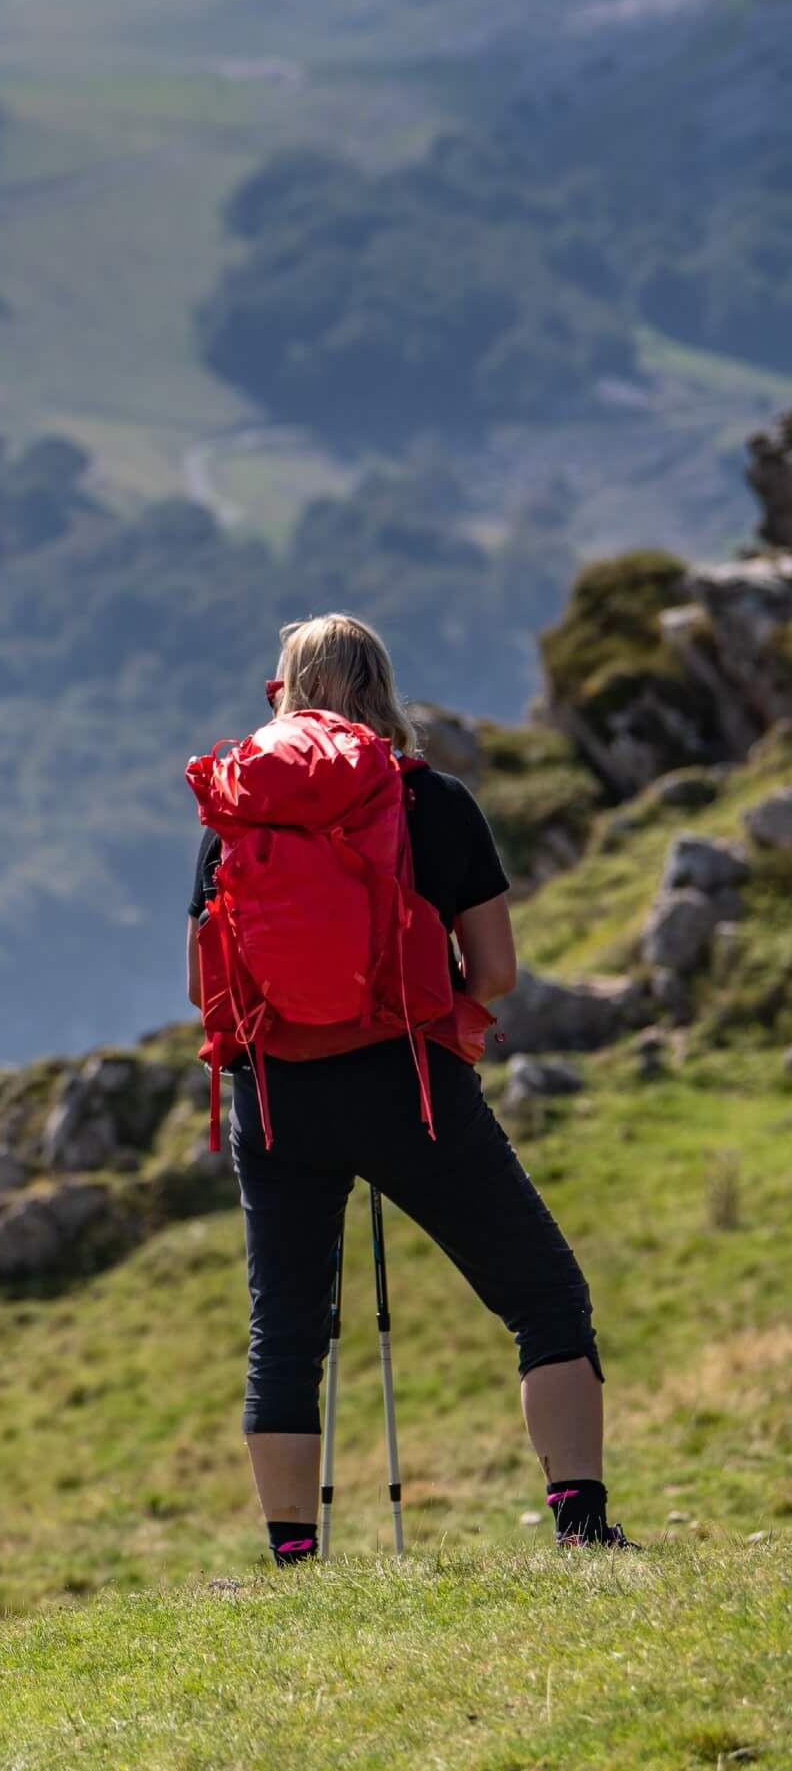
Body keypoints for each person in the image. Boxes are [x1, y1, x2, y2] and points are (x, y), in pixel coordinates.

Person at [188, 614, 625, 1563]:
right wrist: (424, 1005)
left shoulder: (240, 811)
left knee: (287, 1335)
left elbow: (205, 987)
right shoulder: (434, 802)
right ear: (382, 688)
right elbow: (497, 970)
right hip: (409, 1086)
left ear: (284, 693)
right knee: (544, 1296)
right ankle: (580, 1523)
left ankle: (295, 1559)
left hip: (277, 1101)